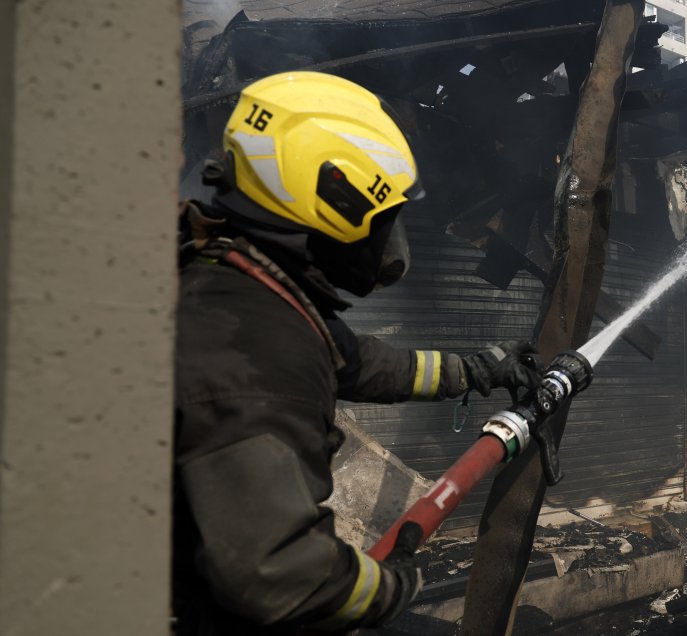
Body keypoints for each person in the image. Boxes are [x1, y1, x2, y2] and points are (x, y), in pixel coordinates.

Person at [173, 71, 539, 635]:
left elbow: (362, 363)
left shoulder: (242, 288)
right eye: (385, 216)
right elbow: (282, 577)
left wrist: (478, 368)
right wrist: (387, 588)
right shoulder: (253, 348)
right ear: (335, 202)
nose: (389, 241)